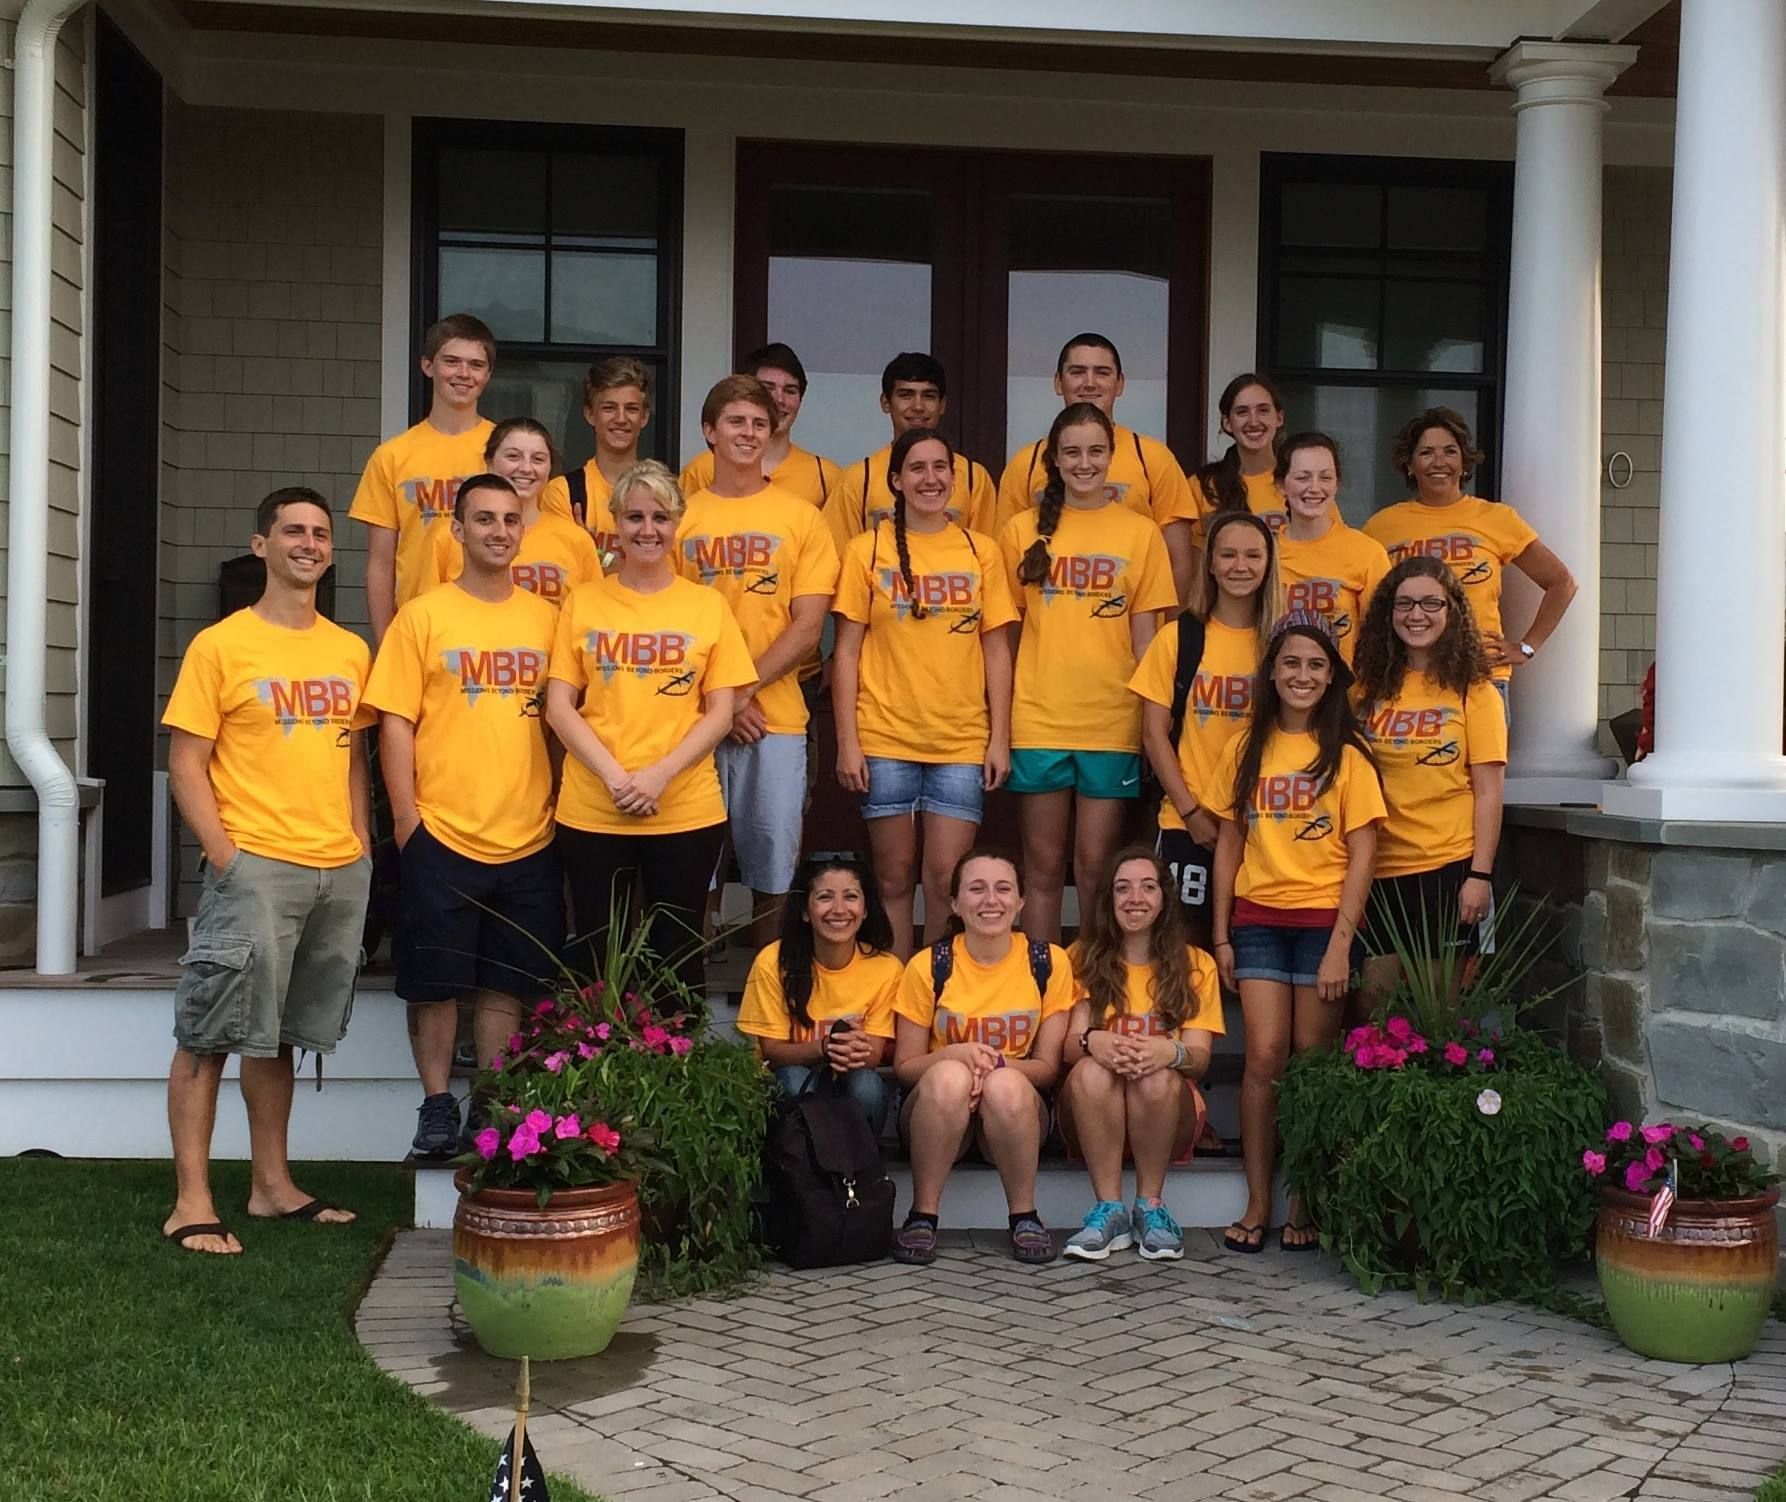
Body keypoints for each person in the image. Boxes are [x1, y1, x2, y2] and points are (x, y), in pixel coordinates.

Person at [161, 487, 374, 1253]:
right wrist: (227, 856)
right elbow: (186, 762)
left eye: (320, 533)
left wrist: (360, 844)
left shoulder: (350, 651)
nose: (309, 543)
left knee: (279, 1035)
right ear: (262, 546)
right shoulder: (221, 645)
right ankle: (191, 1201)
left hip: (333, 867)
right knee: (210, 1032)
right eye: (293, 531)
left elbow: (355, 757)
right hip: (254, 862)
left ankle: (271, 1187)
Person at [365, 472, 564, 1158]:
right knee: (436, 980)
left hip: (529, 831)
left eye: (510, 519)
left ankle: (493, 1101)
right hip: (441, 829)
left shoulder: (546, 618)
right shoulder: (423, 616)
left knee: (508, 980)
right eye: (484, 519)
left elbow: (564, 722)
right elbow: (394, 723)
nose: (499, 531)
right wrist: (405, 822)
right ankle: (437, 1104)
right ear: (457, 530)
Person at [1211, 610, 1385, 1254]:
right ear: (1272, 672)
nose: (1302, 675)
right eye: (1290, 663)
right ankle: (1257, 1201)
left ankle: (1301, 1201)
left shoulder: (1347, 754)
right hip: (1257, 921)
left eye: (1316, 665)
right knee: (1262, 1057)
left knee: (1311, 1064)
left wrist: (1343, 942)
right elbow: (1229, 843)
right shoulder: (1242, 747)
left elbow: (1362, 855)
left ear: (1331, 676)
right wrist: (1222, 934)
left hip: (1322, 928)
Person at [547, 461, 757, 993]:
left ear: (678, 523)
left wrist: (658, 776)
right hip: (595, 807)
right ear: (615, 523)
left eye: (660, 517)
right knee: (599, 954)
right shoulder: (584, 601)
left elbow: (720, 711)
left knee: (678, 957)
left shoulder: (706, 606)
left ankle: (675, 1065)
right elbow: (559, 706)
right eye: (635, 516)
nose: (647, 529)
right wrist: (617, 777)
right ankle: (598, 1065)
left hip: (683, 808)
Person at [833, 427, 1018, 957]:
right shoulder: (864, 550)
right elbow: (846, 650)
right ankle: (894, 988)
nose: (930, 478)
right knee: (891, 880)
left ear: (954, 481)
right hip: (885, 737)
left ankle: (933, 992)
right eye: (917, 468)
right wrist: (848, 741)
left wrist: (998, 737)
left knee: (945, 885)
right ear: (896, 480)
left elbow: (997, 650)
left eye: (940, 468)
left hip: (960, 742)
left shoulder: (981, 552)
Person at [1000, 403, 1176, 943]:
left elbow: (1147, 641)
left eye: (1096, 451)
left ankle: (1095, 986)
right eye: (1072, 452)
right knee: (1045, 869)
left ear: (1111, 456)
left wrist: (1154, 726)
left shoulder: (1140, 533)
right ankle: (1043, 986)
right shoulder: (1019, 529)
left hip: (1111, 721)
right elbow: (1004, 638)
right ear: (1053, 459)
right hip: (1038, 720)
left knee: (1097, 869)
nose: (1084, 463)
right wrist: (1000, 724)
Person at [677, 376, 840, 947]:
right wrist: (722, 703)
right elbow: (666, 621)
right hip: (689, 716)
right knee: (696, 863)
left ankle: (767, 990)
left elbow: (808, 629)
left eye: (758, 424)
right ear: (709, 432)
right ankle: (687, 998)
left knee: (775, 862)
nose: (748, 433)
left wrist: (738, 695)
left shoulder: (801, 518)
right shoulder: (681, 516)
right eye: (736, 422)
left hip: (775, 718)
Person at [891, 850, 1074, 1266]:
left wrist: (996, 1066)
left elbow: (1046, 1069)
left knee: (1004, 1083)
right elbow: (904, 1068)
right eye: (976, 889)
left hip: (1012, 1118)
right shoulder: (928, 966)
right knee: (949, 1077)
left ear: (1021, 901)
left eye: (1003, 888)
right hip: (937, 1114)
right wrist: (954, 1055)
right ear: (954, 902)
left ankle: (1024, 1215)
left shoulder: (1047, 962)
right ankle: (923, 1215)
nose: (990, 900)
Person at [1057, 847, 1224, 1262]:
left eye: (1148, 887)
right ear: (1108, 900)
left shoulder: (1196, 965)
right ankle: (1109, 1210)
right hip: (1095, 1112)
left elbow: (1200, 1057)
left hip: (1167, 1114)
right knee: (1090, 1072)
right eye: (1123, 888)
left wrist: (1167, 1050)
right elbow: (1065, 1047)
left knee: (1158, 1075)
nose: (1135, 898)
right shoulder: (1079, 959)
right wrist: (1093, 1042)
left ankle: (1151, 1207)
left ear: (1165, 898)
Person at [1351, 556, 1506, 1002]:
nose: (1416, 615)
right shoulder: (1365, 689)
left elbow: (1489, 792)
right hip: (1378, 869)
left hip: (1448, 868)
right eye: (1404, 604)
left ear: (1452, 610)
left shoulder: (1475, 692)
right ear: (1388, 612)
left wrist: (1480, 875)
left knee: (1436, 1009)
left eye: (1430, 603)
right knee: (1372, 1004)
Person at [1362, 406, 1578, 716]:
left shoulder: (1496, 518)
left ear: (1464, 462)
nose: (1439, 462)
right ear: (1409, 465)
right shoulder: (1381, 527)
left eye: (1450, 451)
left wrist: (1527, 647)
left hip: (1480, 676)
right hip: (1404, 675)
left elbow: (1561, 582)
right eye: (1426, 453)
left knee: (1483, 765)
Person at [1130, 510, 1279, 950]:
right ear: (1209, 563)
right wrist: (1192, 812)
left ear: (1269, 564)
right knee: (1180, 949)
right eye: (1228, 554)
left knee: (1252, 946)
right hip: (1186, 820)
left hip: (1265, 826)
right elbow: (1154, 733)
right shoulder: (1180, 637)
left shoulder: (1283, 641)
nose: (1240, 566)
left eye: (1253, 555)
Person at [993, 333, 1199, 603]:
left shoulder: (1153, 458)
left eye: (1102, 372)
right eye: (1077, 372)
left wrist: (1171, 635)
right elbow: (1006, 565)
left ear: (1120, 384)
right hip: (1048, 630)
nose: (1089, 383)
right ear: (1058, 382)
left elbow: (1179, 563)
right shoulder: (1027, 463)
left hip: (1132, 632)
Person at [350, 313, 496, 643]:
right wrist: (388, 642)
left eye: (475, 365)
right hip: (417, 629)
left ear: (488, 374)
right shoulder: (393, 456)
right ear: (427, 366)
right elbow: (381, 564)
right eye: (451, 361)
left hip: (493, 628)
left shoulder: (508, 452)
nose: (463, 374)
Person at [736, 855, 902, 1136]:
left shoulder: (887, 968)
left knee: (867, 1086)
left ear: (865, 910)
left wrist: (850, 1048)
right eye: (825, 897)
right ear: (804, 911)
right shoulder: (773, 961)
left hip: (851, 1079)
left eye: (851, 897)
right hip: (792, 1076)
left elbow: (871, 1056)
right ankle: (799, 1168)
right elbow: (772, 1053)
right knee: (792, 1079)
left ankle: (857, 1171)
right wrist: (825, 1047)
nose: (839, 909)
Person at [417, 417, 600, 606]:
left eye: (538, 459)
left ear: (550, 468)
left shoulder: (576, 540)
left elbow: (593, 618)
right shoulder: (451, 536)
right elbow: (429, 612)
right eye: (513, 456)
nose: (526, 468)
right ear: (489, 461)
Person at [823, 352, 996, 548]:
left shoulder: (974, 479)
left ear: (942, 405)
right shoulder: (858, 479)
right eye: (906, 395)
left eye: (928, 396)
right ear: (886, 403)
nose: (918, 406)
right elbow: (838, 557)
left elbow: (984, 555)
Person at [1274, 432, 1390, 664]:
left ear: (1338, 483)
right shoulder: (1264, 552)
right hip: (1276, 693)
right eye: (1302, 478)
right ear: (1280, 485)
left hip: (1346, 695)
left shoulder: (1367, 553)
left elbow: (1383, 638)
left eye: (1325, 478)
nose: (1314, 488)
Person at [679, 343, 843, 507]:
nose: (779, 399)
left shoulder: (825, 476)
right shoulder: (701, 470)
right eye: (767, 388)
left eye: (790, 390)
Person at [539, 357, 654, 564]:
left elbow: (666, 570)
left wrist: (592, 551)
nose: (621, 419)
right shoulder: (563, 493)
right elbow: (568, 566)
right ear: (590, 414)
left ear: (644, 417)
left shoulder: (664, 492)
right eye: (609, 408)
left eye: (631, 409)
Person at [1190, 373, 1291, 536]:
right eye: (1242, 412)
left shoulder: (1301, 481)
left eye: (1263, 410)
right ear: (1227, 423)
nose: (1253, 421)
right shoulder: (1203, 486)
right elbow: (1195, 558)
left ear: (1279, 418)